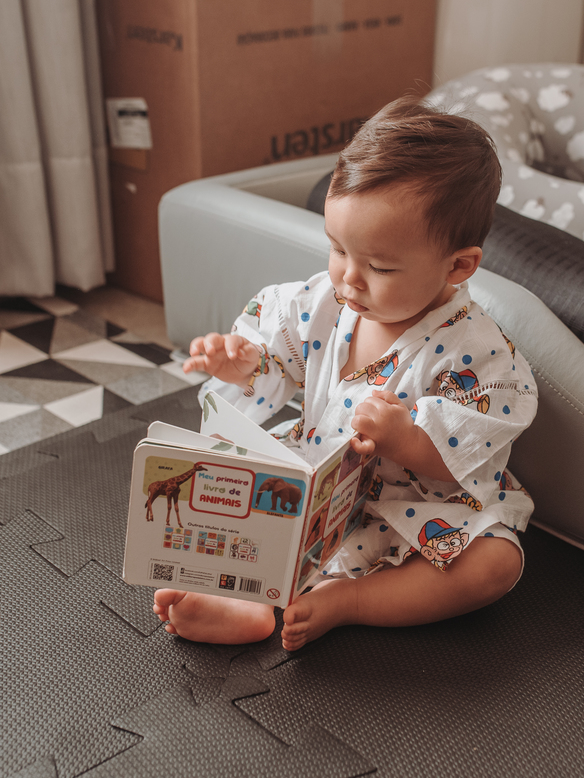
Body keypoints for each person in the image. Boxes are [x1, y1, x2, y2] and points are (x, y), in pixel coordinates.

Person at [152, 96, 538, 651]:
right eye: (337, 249)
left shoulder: (477, 353)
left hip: (414, 507)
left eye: (379, 266)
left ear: (457, 265)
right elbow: (278, 354)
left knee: (496, 563)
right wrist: (244, 362)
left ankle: (352, 601)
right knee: (245, 487)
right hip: (317, 479)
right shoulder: (324, 301)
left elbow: (468, 456)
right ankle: (246, 598)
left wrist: (406, 439)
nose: (349, 279)